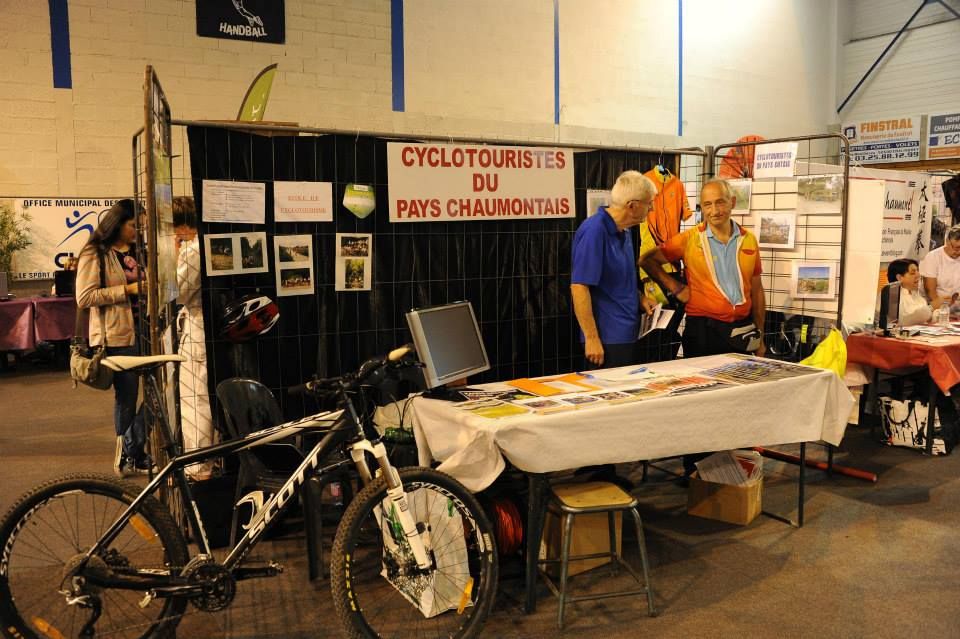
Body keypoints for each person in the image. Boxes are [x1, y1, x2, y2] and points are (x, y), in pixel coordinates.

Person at [640, 178, 766, 359]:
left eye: (720, 202)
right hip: (702, 332)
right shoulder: (689, 239)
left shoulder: (749, 239)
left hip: (741, 331)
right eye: (708, 204)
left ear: (732, 202)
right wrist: (676, 288)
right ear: (702, 207)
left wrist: (761, 337)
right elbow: (646, 260)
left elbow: (757, 290)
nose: (714, 211)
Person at [76, 199, 153, 476]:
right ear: (117, 224)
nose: (138, 231)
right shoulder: (95, 253)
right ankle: (130, 455)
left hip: (148, 331)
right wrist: (127, 291)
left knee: (161, 395)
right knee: (127, 396)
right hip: (117, 335)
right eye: (134, 225)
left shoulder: (140, 251)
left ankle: (131, 448)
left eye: (141, 226)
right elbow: (85, 297)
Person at [571, 170, 658, 369]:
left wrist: (640, 299)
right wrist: (591, 338)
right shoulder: (594, 231)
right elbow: (579, 287)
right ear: (632, 206)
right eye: (649, 203)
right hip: (607, 340)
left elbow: (618, 279)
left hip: (626, 334)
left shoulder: (624, 230)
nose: (652, 208)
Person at [174, 196, 215, 480]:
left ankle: (198, 468)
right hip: (205, 327)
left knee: (196, 401)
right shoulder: (208, 244)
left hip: (198, 328)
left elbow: (179, 292)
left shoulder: (192, 250)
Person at [919, 224, 960, 310]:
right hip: (937, 308)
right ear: (947, 241)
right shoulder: (933, 257)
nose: (959, 252)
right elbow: (931, 292)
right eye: (956, 248)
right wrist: (943, 310)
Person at [886, 258, 931, 326]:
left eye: (918, 271)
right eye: (912, 273)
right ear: (899, 278)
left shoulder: (914, 293)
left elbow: (926, 316)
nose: (918, 275)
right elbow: (905, 320)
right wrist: (932, 307)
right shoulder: (892, 296)